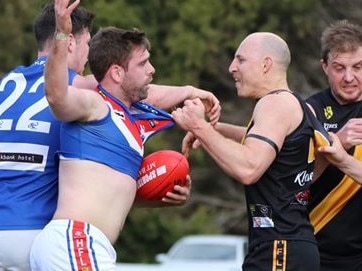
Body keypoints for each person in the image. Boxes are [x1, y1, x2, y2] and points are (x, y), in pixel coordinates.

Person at [0, 2, 220, 271]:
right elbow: (131, 88)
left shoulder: (8, 84)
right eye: (87, 44)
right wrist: (190, 91)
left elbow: (100, 187)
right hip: (43, 229)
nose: (88, 55)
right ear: (70, 42)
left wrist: (159, 190)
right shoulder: (81, 89)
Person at [172, 32, 330, 271]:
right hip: (290, 245)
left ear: (266, 64)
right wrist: (214, 130)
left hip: (280, 248)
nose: (231, 67)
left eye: (241, 60)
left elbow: (249, 168)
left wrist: (199, 126)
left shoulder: (274, 104)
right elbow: (270, 147)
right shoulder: (299, 105)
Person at [306, 19, 362, 271]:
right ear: (324, 67)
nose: (349, 77)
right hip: (316, 249)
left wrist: (343, 158)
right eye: (339, 68)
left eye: (358, 67)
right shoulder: (309, 110)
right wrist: (336, 142)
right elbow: (294, 179)